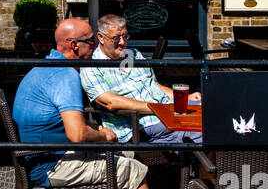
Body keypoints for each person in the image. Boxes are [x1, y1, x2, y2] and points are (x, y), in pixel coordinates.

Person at [12, 17, 196, 189]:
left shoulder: (43, 69)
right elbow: (76, 134)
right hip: (50, 165)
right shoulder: (65, 76)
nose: (94, 46)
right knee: (129, 169)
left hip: (39, 156)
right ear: (74, 45)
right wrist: (102, 134)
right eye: (90, 41)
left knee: (125, 155)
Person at [79, 14, 203, 144]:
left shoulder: (133, 54)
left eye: (125, 36)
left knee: (210, 108)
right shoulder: (92, 66)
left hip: (166, 111)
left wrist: (182, 98)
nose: (122, 43)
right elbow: (110, 102)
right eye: (116, 38)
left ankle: (204, 162)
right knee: (207, 126)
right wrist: (159, 108)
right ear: (101, 37)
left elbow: (153, 85)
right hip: (142, 125)